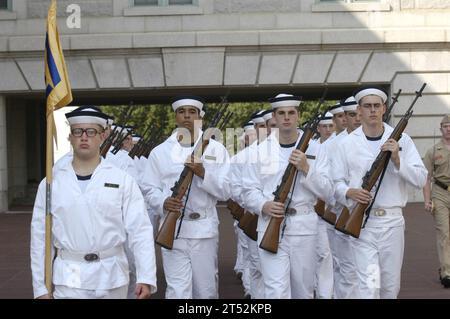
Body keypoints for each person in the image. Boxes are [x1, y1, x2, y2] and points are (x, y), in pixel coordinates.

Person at [30, 107, 157, 299]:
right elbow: (41, 237)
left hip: (112, 278)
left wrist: (146, 276)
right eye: (77, 131)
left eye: (91, 132)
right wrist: (40, 287)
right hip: (69, 279)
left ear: (103, 136)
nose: (83, 137)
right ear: (70, 137)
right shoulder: (51, 183)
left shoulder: (122, 179)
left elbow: (140, 229)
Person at [332, 87, 427, 299]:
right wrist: (350, 192)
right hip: (364, 224)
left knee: (389, 288)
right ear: (359, 111)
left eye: (377, 106)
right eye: (367, 106)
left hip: (392, 223)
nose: (373, 110)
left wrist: (397, 160)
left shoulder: (403, 141)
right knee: (369, 288)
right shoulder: (346, 144)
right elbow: (335, 183)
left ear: (384, 108)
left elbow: (421, 178)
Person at [242, 93, 333, 299]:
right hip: (269, 223)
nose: (286, 117)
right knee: (275, 291)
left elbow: (328, 191)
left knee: (303, 290)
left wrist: (306, 168)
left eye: (291, 113)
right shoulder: (260, 150)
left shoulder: (316, 149)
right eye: (281, 113)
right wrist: (263, 205)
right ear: (274, 116)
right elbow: (248, 190)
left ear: (298, 115)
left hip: (304, 226)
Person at [141, 96, 231, 299]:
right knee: (177, 292)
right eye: (182, 112)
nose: (187, 116)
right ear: (175, 117)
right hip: (173, 229)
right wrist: (163, 201)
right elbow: (149, 188)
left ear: (200, 117)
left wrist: (202, 173)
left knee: (206, 291)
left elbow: (226, 190)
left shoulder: (217, 150)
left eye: (192, 112)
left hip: (204, 230)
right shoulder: (160, 152)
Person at [423, 114, 450, 288]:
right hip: (440, 193)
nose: (449, 128)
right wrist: (427, 200)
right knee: (444, 233)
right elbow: (426, 178)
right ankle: (446, 272)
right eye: (445, 126)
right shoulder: (432, 151)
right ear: (441, 129)